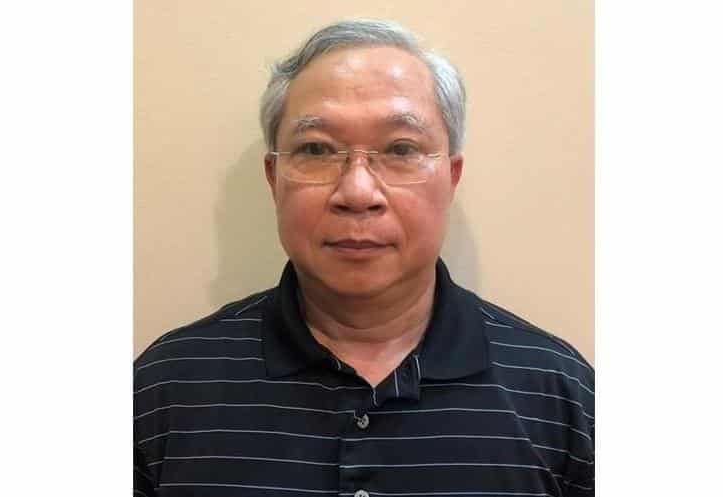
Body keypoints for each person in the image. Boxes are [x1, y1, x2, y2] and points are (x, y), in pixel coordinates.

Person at [134, 19, 594, 497]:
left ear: (451, 177)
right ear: (273, 178)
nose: (357, 192)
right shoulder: (164, 389)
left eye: (401, 149)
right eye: (317, 149)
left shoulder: (560, 395)